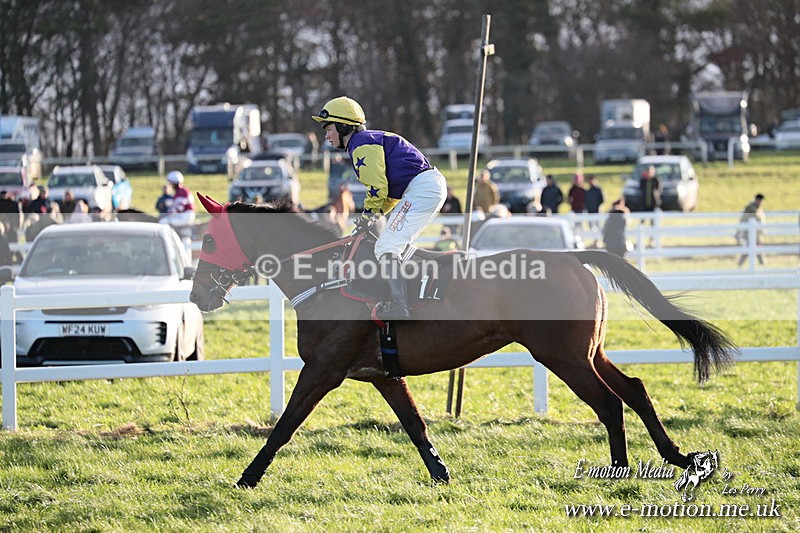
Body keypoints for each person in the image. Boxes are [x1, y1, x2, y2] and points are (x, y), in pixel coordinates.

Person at [312, 96, 447, 320]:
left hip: (423, 188)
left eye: (329, 128)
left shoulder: (360, 143)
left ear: (344, 126)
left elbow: (377, 187)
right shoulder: (364, 141)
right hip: (423, 187)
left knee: (386, 246)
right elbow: (388, 195)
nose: (326, 135)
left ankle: (400, 305)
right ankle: (436, 268)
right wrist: (372, 217)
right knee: (391, 243)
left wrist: (368, 216)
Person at [736, 193, 766, 266]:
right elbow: (743, 219)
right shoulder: (749, 208)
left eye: (761, 200)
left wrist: (763, 231)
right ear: (756, 200)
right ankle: (762, 263)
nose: (760, 202)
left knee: (754, 250)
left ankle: (762, 264)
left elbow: (761, 222)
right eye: (759, 200)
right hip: (750, 234)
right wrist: (739, 232)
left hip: (757, 235)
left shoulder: (759, 209)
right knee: (752, 250)